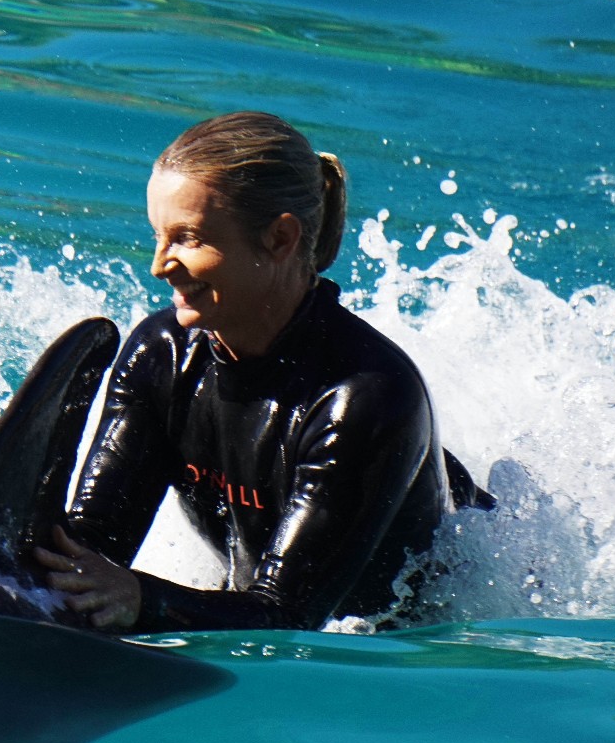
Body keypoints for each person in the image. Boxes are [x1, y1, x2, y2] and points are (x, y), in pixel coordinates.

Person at [35, 111, 485, 633]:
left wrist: (144, 600)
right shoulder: (163, 356)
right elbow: (89, 546)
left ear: (280, 238)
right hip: (272, 604)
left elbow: (290, 615)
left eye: (188, 238)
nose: (160, 264)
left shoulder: (366, 397)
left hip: (422, 630)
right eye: (158, 234)